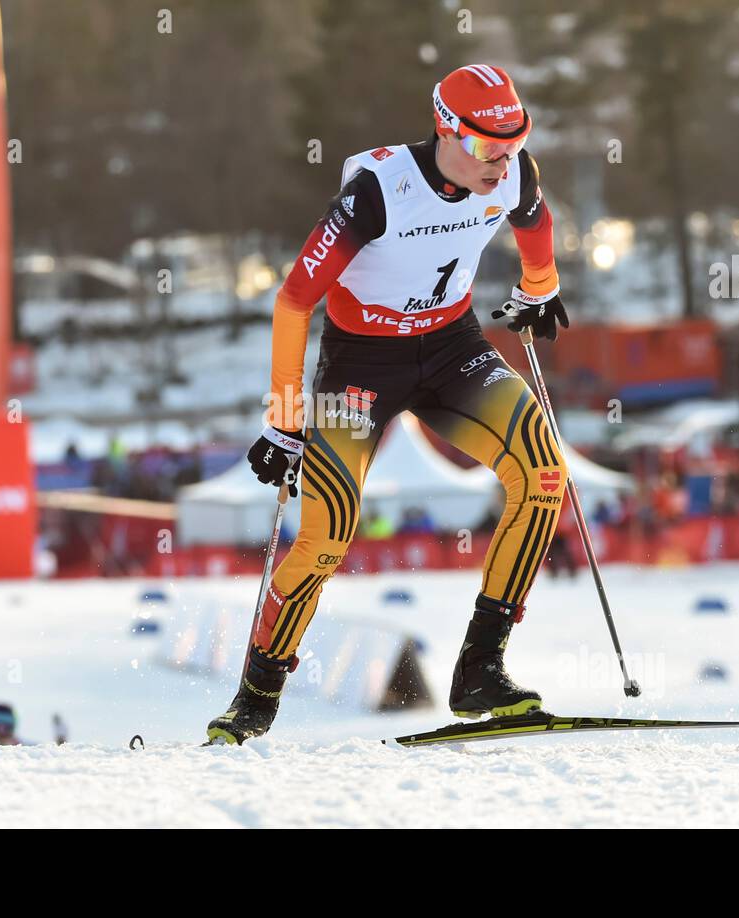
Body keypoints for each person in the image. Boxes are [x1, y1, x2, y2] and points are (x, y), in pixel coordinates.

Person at [207, 65, 570, 744]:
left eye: (516, 140)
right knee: (328, 535)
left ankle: (480, 671)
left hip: (452, 347)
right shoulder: (380, 192)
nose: (505, 159)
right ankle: (255, 696)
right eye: (491, 145)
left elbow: (536, 218)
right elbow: (293, 300)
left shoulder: (514, 172)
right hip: (360, 368)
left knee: (544, 471)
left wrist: (540, 286)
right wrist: (285, 420)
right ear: (448, 130)